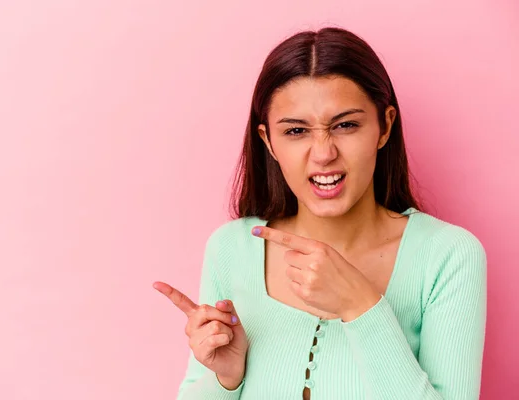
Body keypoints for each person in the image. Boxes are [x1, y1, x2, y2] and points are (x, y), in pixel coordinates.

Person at [153, 26, 487, 400]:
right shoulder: (231, 248)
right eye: (296, 131)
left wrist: (361, 305)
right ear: (268, 142)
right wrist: (227, 378)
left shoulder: (448, 255)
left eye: (345, 125)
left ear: (384, 125)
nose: (323, 152)